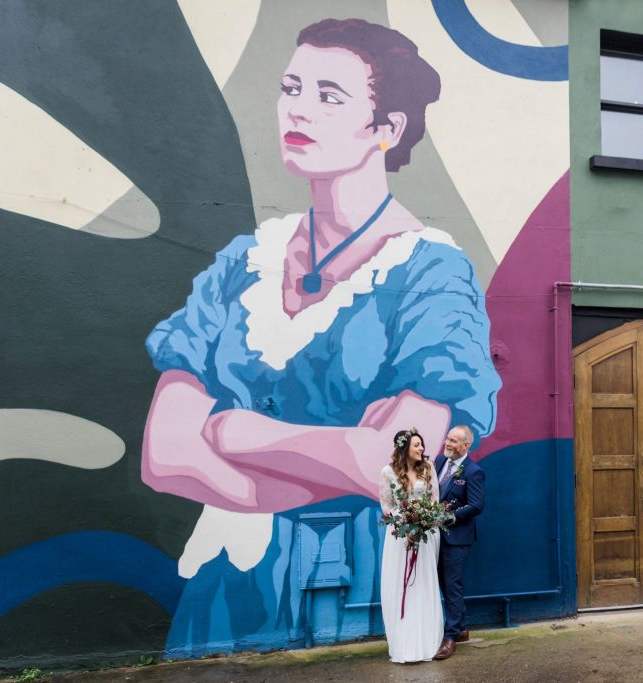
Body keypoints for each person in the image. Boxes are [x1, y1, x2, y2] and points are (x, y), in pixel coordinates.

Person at [141, 18, 500, 655]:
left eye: (329, 96)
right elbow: (166, 453)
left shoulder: (432, 272)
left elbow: (399, 470)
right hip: (222, 587)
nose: (297, 109)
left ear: (387, 129)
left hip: (365, 581)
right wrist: (344, 451)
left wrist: (235, 432)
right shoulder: (243, 261)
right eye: (290, 88)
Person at [378, 429, 443, 662]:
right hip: (399, 536)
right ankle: (404, 643)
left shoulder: (428, 469)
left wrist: (423, 521)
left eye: (422, 445)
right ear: (404, 447)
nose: (422, 449)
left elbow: (434, 501)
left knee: (423, 583)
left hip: (426, 535)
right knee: (400, 583)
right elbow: (386, 505)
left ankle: (426, 641)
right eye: (417, 445)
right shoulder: (388, 472)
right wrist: (404, 521)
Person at [432, 425, 485, 660]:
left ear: (466, 446)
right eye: (448, 439)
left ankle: (450, 637)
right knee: (444, 584)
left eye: (454, 441)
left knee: (452, 585)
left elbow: (476, 505)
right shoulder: (439, 462)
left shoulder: (473, 472)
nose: (448, 443)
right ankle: (461, 628)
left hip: (457, 538)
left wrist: (450, 517)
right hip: (436, 537)